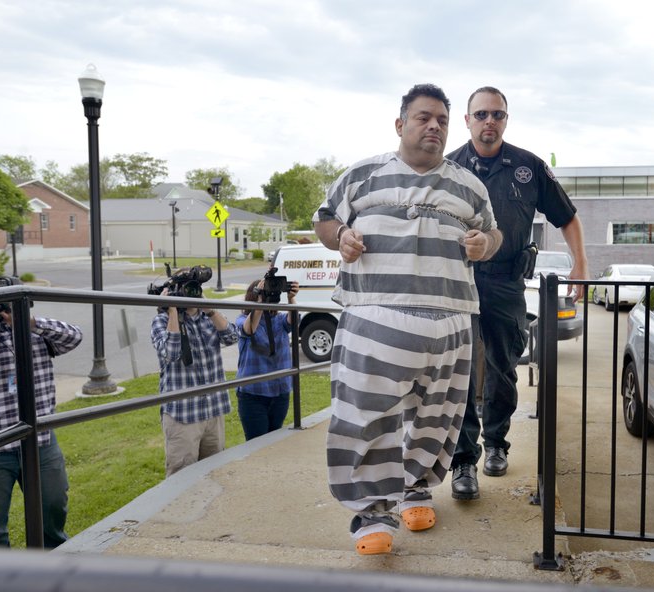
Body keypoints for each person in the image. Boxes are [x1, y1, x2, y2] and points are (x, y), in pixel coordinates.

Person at [313, 83, 502, 555]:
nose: (433, 125)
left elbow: (493, 233)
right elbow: (323, 220)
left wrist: (485, 244)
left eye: (441, 118)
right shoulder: (361, 175)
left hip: (451, 322)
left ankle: (417, 489)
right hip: (375, 318)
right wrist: (341, 237)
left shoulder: (470, 185)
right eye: (423, 117)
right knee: (367, 416)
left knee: (438, 417)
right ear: (400, 124)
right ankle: (374, 512)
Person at [446, 86, 588, 499]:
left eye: (498, 114)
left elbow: (568, 218)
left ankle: (496, 445)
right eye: (481, 114)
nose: (490, 121)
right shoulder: (448, 167)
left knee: (503, 368)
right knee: (461, 372)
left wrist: (580, 264)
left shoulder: (529, 167)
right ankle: (462, 463)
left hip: (506, 282)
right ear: (468, 120)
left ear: (506, 120)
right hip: (459, 281)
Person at [0, 304, 82, 547]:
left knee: (52, 513)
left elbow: (74, 336)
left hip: (39, 440)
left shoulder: (30, 330)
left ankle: (52, 573)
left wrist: (27, 322)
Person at [151, 288, 238, 477]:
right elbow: (172, 354)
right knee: (181, 478)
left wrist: (211, 310)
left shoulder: (208, 318)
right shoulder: (162, 320)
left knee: (214, 474)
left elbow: (232, 337)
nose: (191, 292)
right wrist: (173, 310)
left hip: (213, 409)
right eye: (184, 289)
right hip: (183, 413)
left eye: (194, 286)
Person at [235, 277, 299, 440]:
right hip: (254, 395)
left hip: (280, 392)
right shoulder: (242, 320)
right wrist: (260, 300)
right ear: (254, 296)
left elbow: (293, 322)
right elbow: (250, 329)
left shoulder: (278, 320)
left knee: (274, 443)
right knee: (256, 444)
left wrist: (291, 298)